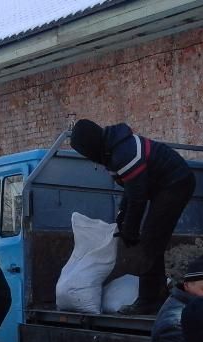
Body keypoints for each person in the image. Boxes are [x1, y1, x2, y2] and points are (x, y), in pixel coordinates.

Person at [69, 119, 196, 314]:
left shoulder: (123, 153)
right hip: (162, 186)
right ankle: (158, 294)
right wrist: (122, 216)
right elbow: (130, 189)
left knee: (151, 239)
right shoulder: (112, 150)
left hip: (176, 183)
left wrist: (130, 229)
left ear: (90, 146)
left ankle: (149, 300)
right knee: (153, 240)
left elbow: (138, 197)